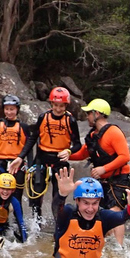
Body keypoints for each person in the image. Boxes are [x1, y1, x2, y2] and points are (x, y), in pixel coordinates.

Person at [69, 99, 130, 246]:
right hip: (103, 182)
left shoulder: (113, 132)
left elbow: (125, 156)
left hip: (119, 180)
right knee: (102, 212)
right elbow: (82, 154)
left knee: (115, 211)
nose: (87, 117)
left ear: (97, 113)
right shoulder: (94, 136)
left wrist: (104, 169)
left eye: (88, 114)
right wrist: (67, 154)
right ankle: (107, 245)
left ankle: (119, 247)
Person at [21, 87, 81, 224]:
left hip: (60, 161)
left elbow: (77, 144)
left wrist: (69, 151)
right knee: (36, 193)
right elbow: (32, 138)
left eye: (61, 106)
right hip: (42, 159)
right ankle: (36, 224)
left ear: (66, 105)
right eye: (55, 105)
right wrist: (20, 157)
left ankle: (58, 225)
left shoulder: (70, 120)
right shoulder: (43, 117)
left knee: (58, 196)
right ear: (51, 104)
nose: (58, 109)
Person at [0, 94, 32, 215]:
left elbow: (29, 149)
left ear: (17, 110)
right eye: (7, 109)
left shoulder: (24, 127)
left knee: (16, 197)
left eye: (12, 109)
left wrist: (30, 168)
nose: (9, 112)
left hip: (17, 166)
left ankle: (16, 225)